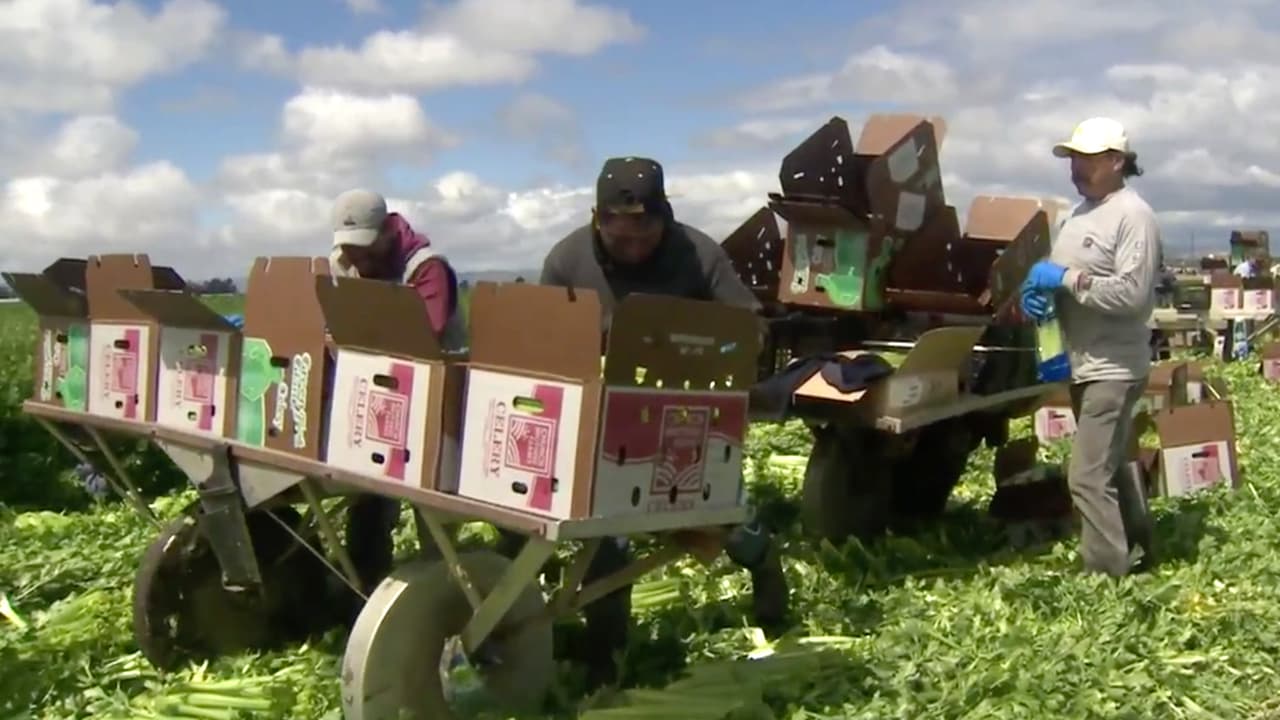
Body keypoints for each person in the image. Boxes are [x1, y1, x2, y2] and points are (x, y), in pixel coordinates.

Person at [519, 156, 790, 688]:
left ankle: (765, 568)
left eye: (645, 233)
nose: (635, 246)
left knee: (720, 513)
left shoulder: (698, 254)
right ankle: (607, 657)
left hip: (685, 409)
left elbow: (750, 327)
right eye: (620, 237)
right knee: (603, 534)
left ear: (664, 216)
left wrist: (697, 345)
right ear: (598, 219)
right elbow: (542, 339)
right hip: (603, 418)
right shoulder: (568, 260)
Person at [1019, 117, 1161, 578]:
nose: (1076, 169)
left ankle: (1105, 574)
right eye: (1073, 160)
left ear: (1117, 162)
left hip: (1114, 365)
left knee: (1085, 475)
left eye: (1087, 160)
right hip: (1082, 361)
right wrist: (1042, 290)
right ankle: (1137, 546)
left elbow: (1132, 295)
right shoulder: (1076, 215)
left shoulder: (1132, 215)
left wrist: (1069, 280)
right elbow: (1062, 271)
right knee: (1112, 463)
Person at [328, 188, 464, 600]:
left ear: (388, 230)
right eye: (351, 251)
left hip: (437, 398)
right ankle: (365, 588)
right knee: (368, 494)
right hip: (379, 396)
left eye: (366, 250)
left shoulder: (427, 268)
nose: (359, 261)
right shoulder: (348, 265)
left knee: (433, 506)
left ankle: (447, 593)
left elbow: (425, 335)